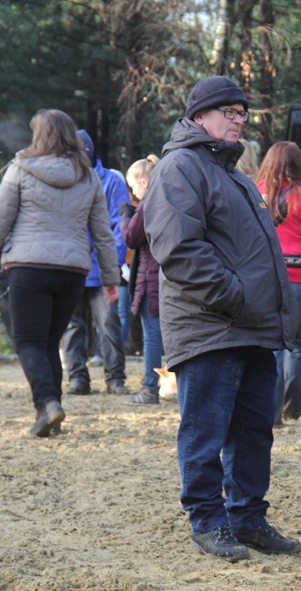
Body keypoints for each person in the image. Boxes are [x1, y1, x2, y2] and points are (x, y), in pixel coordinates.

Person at [141, 76, 301, 561]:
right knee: (205, 431)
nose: (239, 120)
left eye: (242, 113)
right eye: (229, 112)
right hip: (211, 326)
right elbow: (180, 249)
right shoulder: (180, 167)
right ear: (199, 116)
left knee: (254, 429)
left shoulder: (231, 174)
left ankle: (248, 517)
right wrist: (234, 298)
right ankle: (208, 520)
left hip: (251, 327)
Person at [0, 109, 120, 437]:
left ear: (39, 135)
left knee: (28, 342)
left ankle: (47, 404)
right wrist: (111, 278)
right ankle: (50, 418)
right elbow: (102, 232)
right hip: (72, 271)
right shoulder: (89, 176)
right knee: (50, 341)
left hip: (29, 267)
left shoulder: (20, 169)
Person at [60, 130, 129, 396]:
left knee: (109, 324)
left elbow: (118, 226)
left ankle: (115, 378)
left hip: (101, 270)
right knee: (72, 326)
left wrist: (111, 262)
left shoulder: (111, 181)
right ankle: (78, 378)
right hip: (72, 267)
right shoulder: (64, 181)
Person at [255, 141, 301, 422]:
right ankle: (292, 404)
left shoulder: (255, 195)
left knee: (275, 343)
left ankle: (272, 409)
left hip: (269, 279)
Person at [120, 155, 165, 406]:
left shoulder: (149, 204)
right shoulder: (165, 200)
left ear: (145, 182)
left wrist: (125, 216)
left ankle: (150, 388)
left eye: (133, 186)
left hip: (150, 277)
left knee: (153, 335)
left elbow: (131, 236)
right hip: (160, 276)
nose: (132, 192)